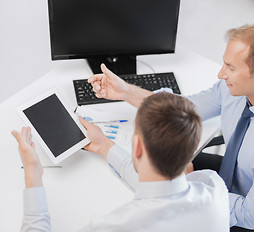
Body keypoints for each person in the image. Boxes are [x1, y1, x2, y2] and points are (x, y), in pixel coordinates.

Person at [88, 23, 254, 231]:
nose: (220, 74)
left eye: (230, 67)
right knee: (161, 166)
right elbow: (180, 108)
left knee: (165, 186)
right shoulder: (233, 90)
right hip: (231, 176)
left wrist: (186, 189)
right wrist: (125, 91)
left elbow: (250, 215)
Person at [12, 92, 230, 232]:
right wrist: (103, 145)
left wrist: (32, 174)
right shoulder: (214, 187)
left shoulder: (114, 226)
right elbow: (162, 187)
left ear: (136, 147)